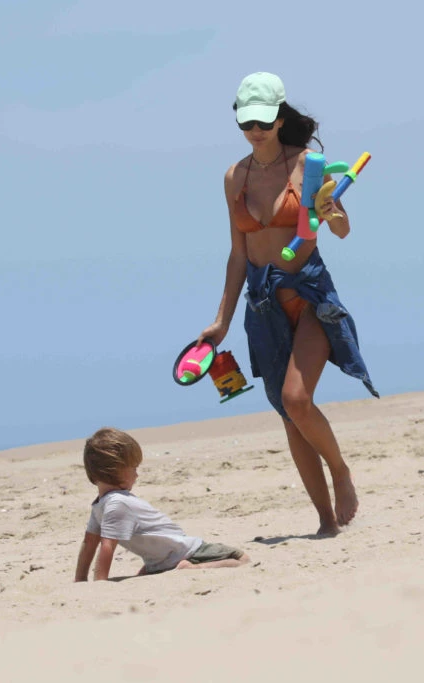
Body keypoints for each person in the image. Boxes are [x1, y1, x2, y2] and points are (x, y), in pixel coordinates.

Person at [197, 72, 377, 536]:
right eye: (246, 122)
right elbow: (238, 254)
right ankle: (324, 521)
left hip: (310, 294)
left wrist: (335, 214)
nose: (255, 130)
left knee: (297, 399)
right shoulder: (233, 177)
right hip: (262, 304)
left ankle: (341, 472)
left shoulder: (308, 164)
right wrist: (221, 321)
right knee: (288, 414)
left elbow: (340, 230)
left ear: (280, 118)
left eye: (263, 121)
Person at [74, 428, 250, 581]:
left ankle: (169, 569)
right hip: (187, 552)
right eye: (134, 469)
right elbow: (107, 545)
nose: (137, 475)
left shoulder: (100, 505)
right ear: (115, 469)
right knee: (242, 558)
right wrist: (100, 582)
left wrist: (80, 579)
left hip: (157, 564)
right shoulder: (119, 503)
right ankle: (193, 568)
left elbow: (90, 542)